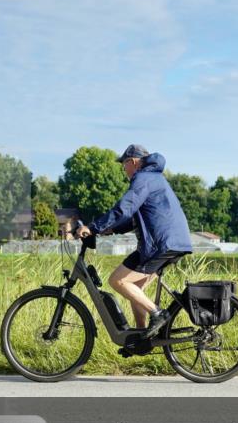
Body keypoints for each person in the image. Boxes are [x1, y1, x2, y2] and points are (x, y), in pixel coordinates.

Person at [76, 144, 192, 340]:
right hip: (170, 243)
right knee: (135, 289)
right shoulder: (154, 178)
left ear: (134, 161)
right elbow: (134, 218)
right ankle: (142, 337)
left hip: (160, 244)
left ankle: (158, 314)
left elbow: (125, 207)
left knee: (118, 280)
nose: (124, 171)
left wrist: (93, 227)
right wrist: (110, 229)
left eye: (124, 166)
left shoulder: (143, 178)